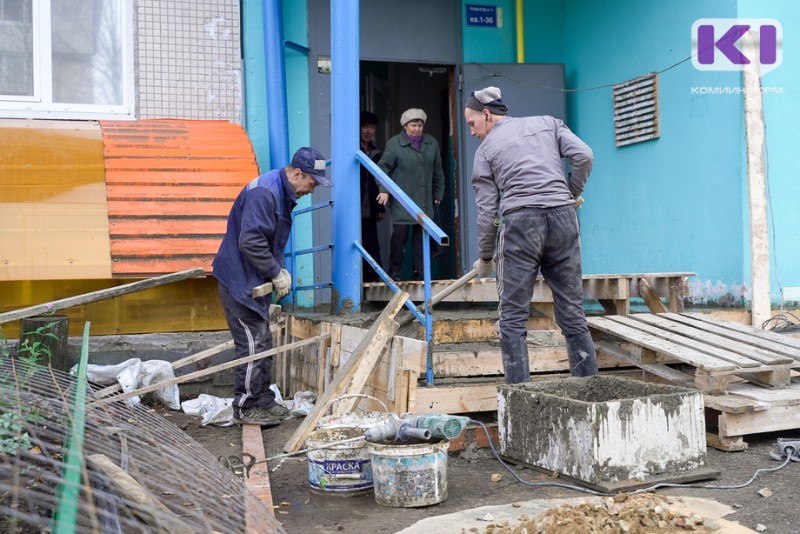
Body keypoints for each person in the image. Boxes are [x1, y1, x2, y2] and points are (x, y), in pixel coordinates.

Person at [464, 86, 598, 383]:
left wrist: (485, 256)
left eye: (472, 123)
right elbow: (584, 155)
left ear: (486, 115)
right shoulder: (547, 123)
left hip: (521, 223)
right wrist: (569, 193)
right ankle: (589, 389)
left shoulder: (485, 151)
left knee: (511, 316)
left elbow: (487, 212)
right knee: (573, 311)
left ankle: (519, 398)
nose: (472, 132)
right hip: (563, 218)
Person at [212, 147, 332, 425]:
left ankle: (263, 399)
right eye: (312, 183)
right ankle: (245, 407)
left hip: (253, 278)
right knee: (252, 345)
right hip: (239, 280)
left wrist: (276, 271)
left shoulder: (280, 190)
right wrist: (275, 272)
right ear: (298, 173)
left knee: (263, 340)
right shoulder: (265, 193)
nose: (312, 190)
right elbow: (251, 241)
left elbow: (268, 239)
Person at [377, 108, 444, 280]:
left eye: (420, 125)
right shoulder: (395, 143)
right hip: (402, 199)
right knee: (400, 235)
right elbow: (383, 167)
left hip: (424, 198)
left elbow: (437, 170)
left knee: (421, 237)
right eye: (413, 125)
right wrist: (384, 190)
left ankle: (419, 273)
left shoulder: (431, 143)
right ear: (405, 126)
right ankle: (395, 271)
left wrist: (438, 191)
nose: (417, 128)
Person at [359, 111, 385, 282]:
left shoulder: (376, 152)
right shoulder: (353, 149)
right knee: (357, 244)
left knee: (372, 244)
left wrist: (380, 207)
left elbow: (379, 180)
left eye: (372, 128)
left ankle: (373, 280)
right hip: (356, 205)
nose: (368, 131)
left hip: (370, 207)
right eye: (365, 127)